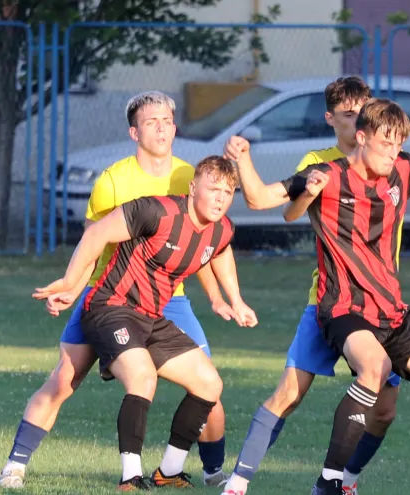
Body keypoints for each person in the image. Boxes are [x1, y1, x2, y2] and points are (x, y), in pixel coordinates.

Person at [220, 77, 410, 495]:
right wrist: (244, 158)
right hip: (341, 306)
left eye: (397, 144)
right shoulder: (324, 171)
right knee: (361, 372)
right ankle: (317, 482)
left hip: (390, 309)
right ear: (360, 135)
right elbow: (262, 200)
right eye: (385, 143)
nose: (393, 152)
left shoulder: (404, 167)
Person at [0, 92, 236, 489]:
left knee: (209, 388)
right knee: (62, 381)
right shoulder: (113, 180)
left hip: (168, 301)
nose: (161, 127)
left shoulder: (189, 176)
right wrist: (73, 287)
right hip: (109, 295)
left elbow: (203, 245)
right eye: (151, 121)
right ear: (134, 131)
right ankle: (15, 466)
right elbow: (95, 241)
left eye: (167, 120)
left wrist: (216, 297)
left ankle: (211, 474)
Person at [33, 155, 258, 491]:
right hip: (111, 307)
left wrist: (234, 299)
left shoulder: (222, 227)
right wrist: (69, 282)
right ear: (193, 187)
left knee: (209, 384)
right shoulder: (157, 211)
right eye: (213, 189)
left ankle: (168, 471)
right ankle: (129, 476)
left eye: (228, 192)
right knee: (141, 377)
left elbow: (221, 249)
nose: (220, 198)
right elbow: (97, 233)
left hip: (152, 317)